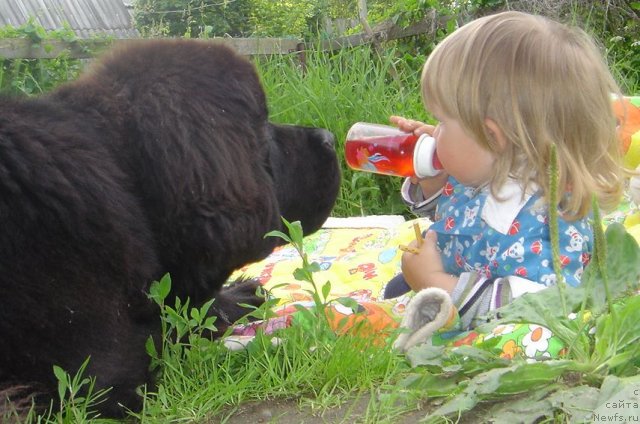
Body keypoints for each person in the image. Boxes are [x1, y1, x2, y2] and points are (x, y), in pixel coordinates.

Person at [382, 11, 625, 330]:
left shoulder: (543, 230)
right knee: (394, 290)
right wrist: (434, 178)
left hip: (473, 292)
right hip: (458, 267)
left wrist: (437, 284)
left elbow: (528, 314)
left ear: (492, 136)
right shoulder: (489, 168)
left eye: (442, 122)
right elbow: (455, 212)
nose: (434, 133)